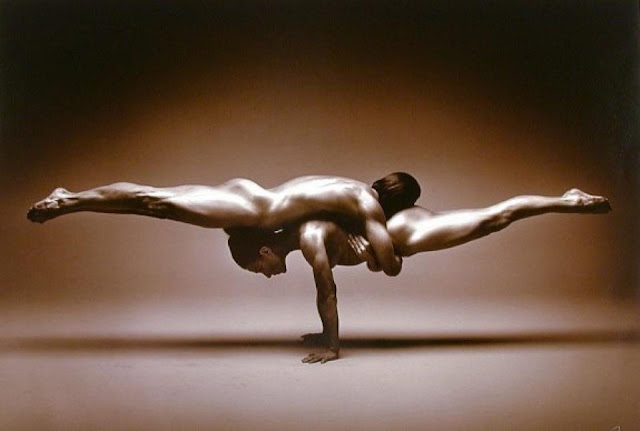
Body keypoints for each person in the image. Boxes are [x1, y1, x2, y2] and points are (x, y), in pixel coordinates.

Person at [226, 188, 611, 363]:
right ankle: (566, 201)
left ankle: (568, 201)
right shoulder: (302, 230)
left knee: (493, 220)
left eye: (258, 269)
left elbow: (327, 293)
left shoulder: (309, 239)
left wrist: (332, 348)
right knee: (489, 219)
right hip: (394, 226)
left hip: (404, 233)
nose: (265, 275)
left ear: (264, 252)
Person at [26, 173, 420, 276]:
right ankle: (70, 199)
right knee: (154, 201)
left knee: (155, 203)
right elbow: (390, 266)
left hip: (249, 204)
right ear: (398, 204)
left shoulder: (353, 191)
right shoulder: (367, 206)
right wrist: (382, 252)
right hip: (247, 208)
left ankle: (72, 200)